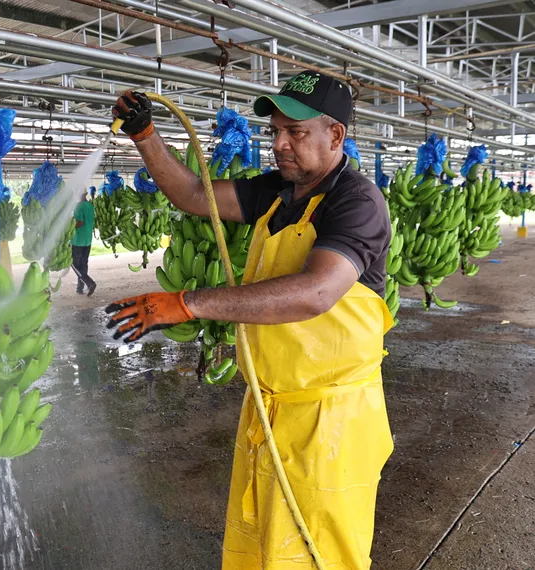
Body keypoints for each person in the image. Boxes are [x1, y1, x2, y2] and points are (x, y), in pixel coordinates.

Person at [107, 72, 393, 570]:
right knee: (261, 548)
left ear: (336, 136)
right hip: (269, 407)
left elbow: (316, 292)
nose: (279, 144)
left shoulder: (358, 202)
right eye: (275, 132)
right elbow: (195, 194)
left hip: (330, 423)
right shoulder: (277, 192)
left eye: (295, 133)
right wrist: (146, 137)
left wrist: (189, 303)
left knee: (318, 552)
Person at [71, 191, 97, 296]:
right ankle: (80, 288)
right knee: (83, 263)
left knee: (74, 264)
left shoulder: (78, 206)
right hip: (87, 239)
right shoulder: (90, 206)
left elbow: (80, 222)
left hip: (78, 240)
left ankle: (90, 283)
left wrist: (69, 226)